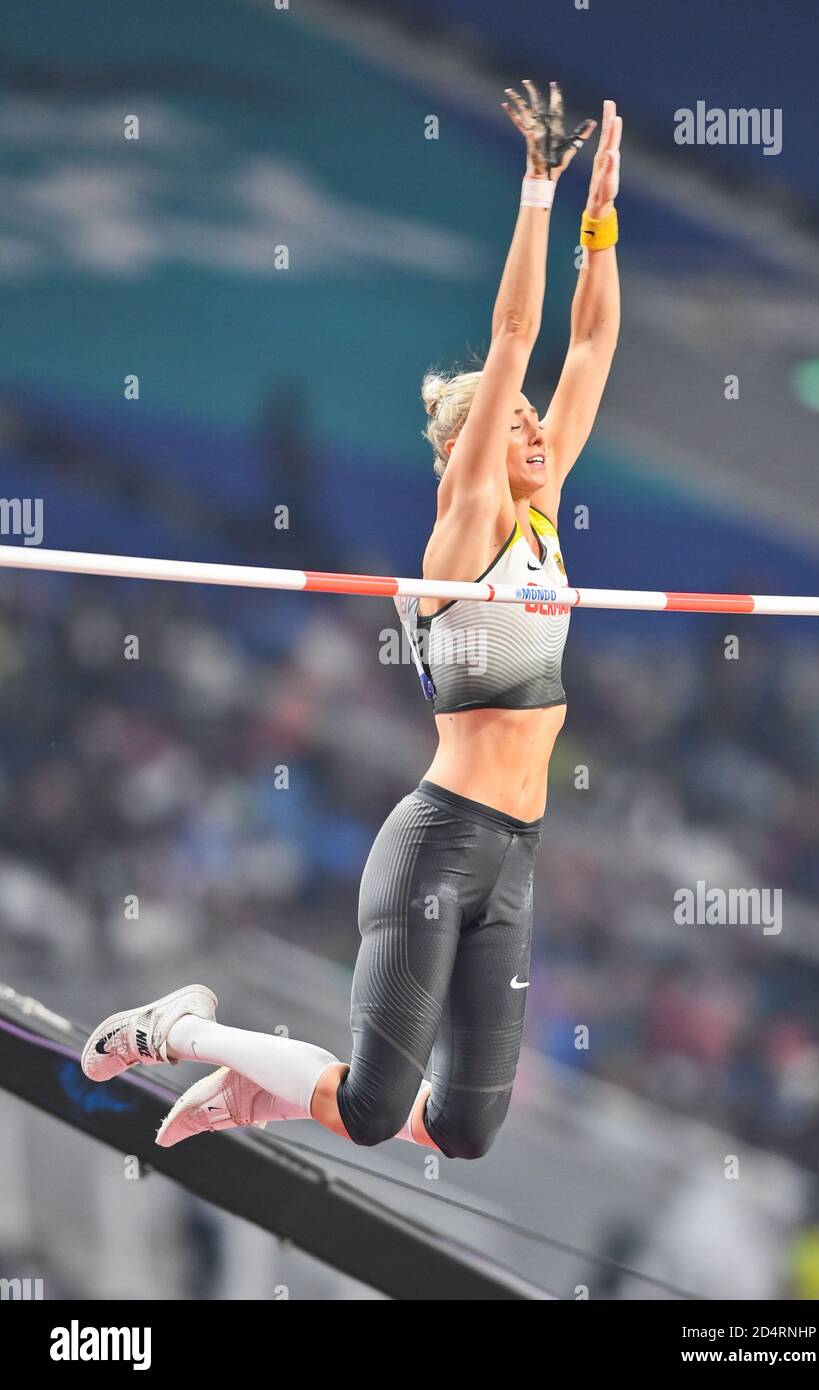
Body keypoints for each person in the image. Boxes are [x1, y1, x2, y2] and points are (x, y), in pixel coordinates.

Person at [81, 85, 622, 1161]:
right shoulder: (465, 527)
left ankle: (270, 1091)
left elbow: (589, 344)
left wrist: (600, 221)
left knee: (462, 1128)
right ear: (470, 449)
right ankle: (181, 1027)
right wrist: (537, 189)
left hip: (510, 854)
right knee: (376, 1111)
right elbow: (515, 336)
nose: (534, 432)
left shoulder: (541, 512)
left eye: (533, 427)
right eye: (514, 422)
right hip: (439, 840)